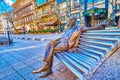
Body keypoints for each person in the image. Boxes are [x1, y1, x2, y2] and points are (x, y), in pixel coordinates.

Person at [32, 16, 107, 78]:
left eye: (71, 20)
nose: (70, 21)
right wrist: (55, 41)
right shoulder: (69, 28)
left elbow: (91, 28)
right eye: (69, 20)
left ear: (74, 20)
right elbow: (63, 36)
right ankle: (46, 66)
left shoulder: (79, 27)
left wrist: (100, 25)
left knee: (51, 50)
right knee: (49, 43)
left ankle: (47, 68)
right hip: (61, 41)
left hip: (67, 44)